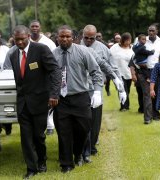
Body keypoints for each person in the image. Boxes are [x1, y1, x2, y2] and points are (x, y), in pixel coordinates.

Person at [9, 25, 61, 179]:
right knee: (26, 137)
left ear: (28, 37)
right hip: (23, 103)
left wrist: (54, 94)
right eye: (16, 40)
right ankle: (31, 168)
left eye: (22, 39)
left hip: (40, 101)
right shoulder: (13, 56)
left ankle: (42, 162)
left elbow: (55, 71)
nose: (19, 42)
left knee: (39, 136)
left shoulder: (41, 50)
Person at [53, 25, 103, 173]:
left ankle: (79, 153)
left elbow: (96, 72)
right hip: (61, 100)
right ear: (57, 37)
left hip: (81, 97)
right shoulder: (52, 54)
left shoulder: (83, 52)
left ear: (74, 38)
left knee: (83, 129)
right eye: (62, 36)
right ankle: (66, 164)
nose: (64, 39)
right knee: (63, 132)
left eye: (68, 36)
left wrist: (97, 92)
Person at [80, 25, 125, 160]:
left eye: (91, 38)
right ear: (82, 35)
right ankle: (84, 149)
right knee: (83, 121)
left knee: (95, 121)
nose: (88, 40)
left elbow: (111, 67)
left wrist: (119, 86)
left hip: (96, 88)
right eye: (86, 38)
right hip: (80, 89)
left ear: (96, 36)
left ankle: (92, 145)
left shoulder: (102, 48)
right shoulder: (76, 46)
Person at [131, 24, 160, 124]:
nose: (151, 32)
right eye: (149, 30)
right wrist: (133, 72)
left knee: (155, 93)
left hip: (157, 72)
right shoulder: (141, 40)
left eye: (153, 31)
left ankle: (155, 115)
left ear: (157, 31)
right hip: (143, 72)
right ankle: (147, 118)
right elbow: (133, 57)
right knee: (146, 94)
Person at [29, 20, 57, 135]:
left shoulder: (48, 42)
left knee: (48, 101)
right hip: (32, 76)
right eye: (32, 26)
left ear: (40, 28)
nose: (35, 28)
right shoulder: (27, 40)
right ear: (29, 28)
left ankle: (50, 125)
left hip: (46, 75)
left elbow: (55, 59)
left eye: (37, 26)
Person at [110, 32, 134, 111]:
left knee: (128, 90)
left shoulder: (132, 48)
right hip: (119, 72)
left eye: (129, 40)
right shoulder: (115, 48)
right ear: (122, 40)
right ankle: (123, 106)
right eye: (126, 40)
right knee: (122, 89)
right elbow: (109, 57)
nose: (128, 42)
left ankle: (126, 105)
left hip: (129, 72)